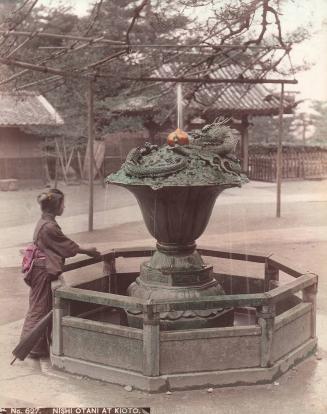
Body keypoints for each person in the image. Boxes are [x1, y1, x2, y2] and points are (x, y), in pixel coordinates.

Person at [20, 188, 100, 359]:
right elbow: (66, 246)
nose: (64, 206)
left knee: (40, 307)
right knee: (39, 308)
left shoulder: (45, 222)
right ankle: (30, 347)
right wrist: (86, 250)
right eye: (63, 203)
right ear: (55, 206)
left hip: (40, 268)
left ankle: (36, 347)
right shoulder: (49, 227)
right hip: (41, 270)